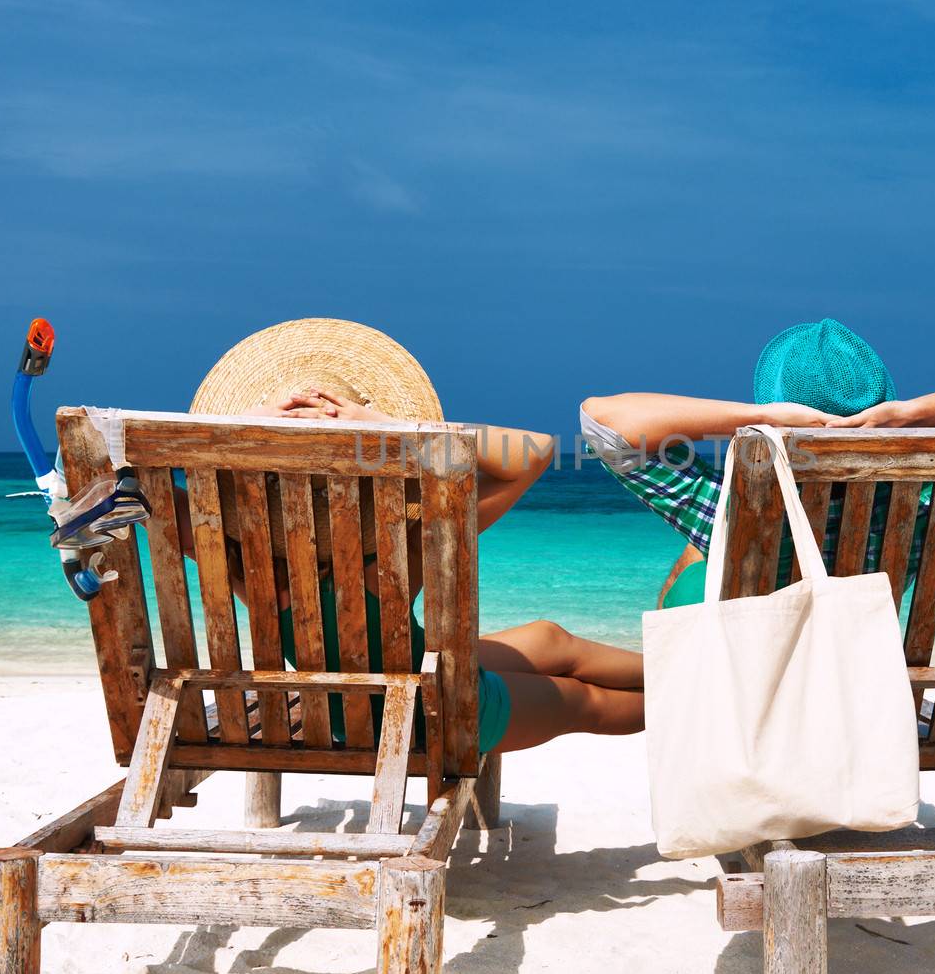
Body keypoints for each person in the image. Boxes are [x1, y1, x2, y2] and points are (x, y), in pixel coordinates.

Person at [185, 319, 644, 755]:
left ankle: (693, 670)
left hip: (358, 710)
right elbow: (535, 452)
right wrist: (392, 428)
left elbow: (133, 480)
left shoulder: (250, 562)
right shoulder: (400, 544)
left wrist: (243, 426)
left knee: (550, 639)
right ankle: (697, 700)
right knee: (586, 701)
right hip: (428, 713)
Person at [580, 317, 935, 600]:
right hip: (860, 690)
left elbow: (604, 419)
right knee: (707, 544)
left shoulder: (722, 504)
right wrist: (909, 415)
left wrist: (760, 416)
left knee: (702, 550)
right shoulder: (927, 502)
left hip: (746, 697)